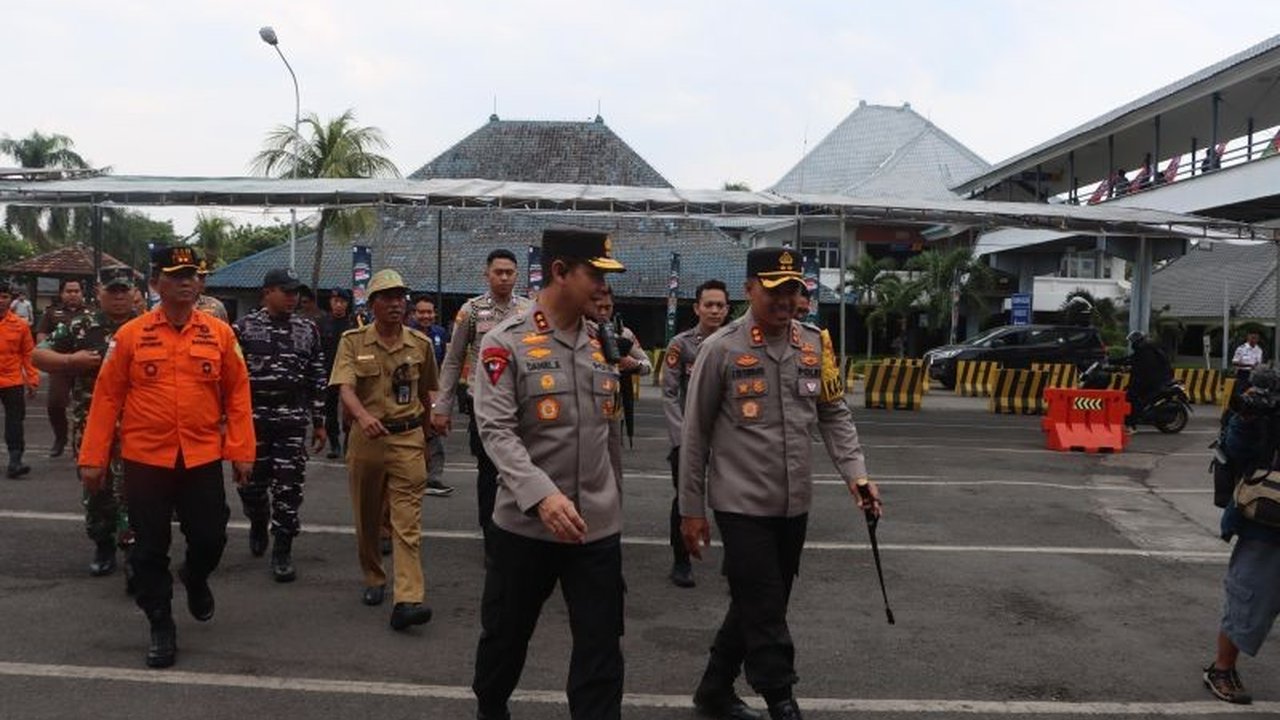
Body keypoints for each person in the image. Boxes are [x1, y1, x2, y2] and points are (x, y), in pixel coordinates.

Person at [680, 247, 881, 720]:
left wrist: (857, 475)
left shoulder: (813, 344)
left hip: (794, 504)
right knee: (767, 608)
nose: (786, 299)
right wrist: (691, 510)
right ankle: (781, 699)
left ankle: (713, 689)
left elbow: (833, 412)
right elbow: (695, 435)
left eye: (793, 289)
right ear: (749, 289)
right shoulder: (721, 348)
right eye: (775, 290)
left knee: (759, 599)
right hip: (741, 502)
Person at [471, 227, 627, 720]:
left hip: (596, 530)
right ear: (560, 272)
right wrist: (541, 495)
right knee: (505, 636)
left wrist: (614, 506)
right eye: (595, 275)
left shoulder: (605, 341)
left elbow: (609, 436)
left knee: (602, 648)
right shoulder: (506, 343)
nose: (604, 287)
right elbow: (496, 430)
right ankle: (491, 707)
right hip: (526, 528)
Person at [78, 245, 255, 669]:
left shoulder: (219, 333)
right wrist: (93, 457)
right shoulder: (131, 336)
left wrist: (243, 451)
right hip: (145, 460)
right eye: (177, 275)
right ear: (156, 283)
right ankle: (160, 621)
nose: (187, 281)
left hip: (200, 457)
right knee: (147, 550)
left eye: (193, 274)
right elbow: (106, 398)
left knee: (211, 537)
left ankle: (195, 577)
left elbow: (237, 392)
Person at [329, 269, 438, 631]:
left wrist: (428, 437)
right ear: (372, 303)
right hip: (367, 441)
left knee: (407, 524)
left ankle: (408, 599)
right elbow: (345, 387)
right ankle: (374, 576)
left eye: (399, 296)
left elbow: (427, 393)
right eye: (387, 297)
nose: (395, 303)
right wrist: (361, 416)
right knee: (368, 515)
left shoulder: (420, 344)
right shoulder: (353, 341)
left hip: (408, 438)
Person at [32, 267, 139, 580]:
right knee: (98, 490)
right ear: (99, 292)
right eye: (112, 290)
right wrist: (70, 361)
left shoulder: (147, 326)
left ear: (134, 293)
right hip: (93, 425)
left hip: (140, 425)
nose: (119, 297)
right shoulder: (81, 326)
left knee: (136, 491)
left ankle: (133, 550)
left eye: (124, 291)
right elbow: (38, 355)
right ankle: (103, 543)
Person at [431, 249, 532, 559]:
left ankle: (520, 536)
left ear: (517, 275)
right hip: (484, 407)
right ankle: (492, 541)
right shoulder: (471, 311)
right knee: (489, 474)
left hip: (522, 408)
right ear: (486, 274)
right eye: (498, 271)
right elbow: (452, 360)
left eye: (510, 272)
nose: (504, 277)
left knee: (522, 472)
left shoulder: (530, 310)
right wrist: (442, 406)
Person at [232, 268, 328, 582]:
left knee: (288, 487)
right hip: (254, 417)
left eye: (295, 292)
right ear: (267, 292)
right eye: (285, 291)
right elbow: (231, 379)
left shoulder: (307, 329)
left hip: (291, 416)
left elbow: (317, 375)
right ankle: (258, 519)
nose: (292, 297)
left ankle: (282, 549)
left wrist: (319, 421)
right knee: (252, 486)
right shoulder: (243, 328)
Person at [1203, 370, 1280, 705]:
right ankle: (1221, 669)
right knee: (1250, 595)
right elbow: (1235, 452)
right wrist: (1249, 417)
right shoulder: (1260, 411)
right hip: (1268, 520)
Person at [661, 279, 728, 589]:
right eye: (709, 304)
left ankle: (736, 562)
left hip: (728, 439)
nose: (714, 310)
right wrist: (681, 439)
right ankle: (682, 560)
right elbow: (670, 393)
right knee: (686, 499)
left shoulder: (736, 342)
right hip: (689, 438)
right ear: (697, 308)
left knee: (732, 499)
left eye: (720, 305)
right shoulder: (681, 344)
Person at [596, 285, 651, 489]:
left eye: (607, 307)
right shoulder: (577, 330)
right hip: (583, 413)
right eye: (598, 306)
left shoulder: (623, 333)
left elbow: (648, 366)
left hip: (613, 413)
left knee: (611, 473)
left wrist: (633, 364)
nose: (602, 312)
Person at [36, 277, 92, 458]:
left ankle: (87, 442)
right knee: (55, 403)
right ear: (61, 293)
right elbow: (42, 335)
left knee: (89, 405)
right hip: (61, 363)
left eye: (77, 291)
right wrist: (47, 353)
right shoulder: (52, 313)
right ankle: (60, 438)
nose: (73, 294)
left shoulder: (92, 313)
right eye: (69, 291)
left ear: (82, 293)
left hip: (86, 364)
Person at [410, 295, 453, 496]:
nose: (426, 316)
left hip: (433, 394)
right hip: (410, 395)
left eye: (429, 312)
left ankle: (433, 479)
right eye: (421, 312)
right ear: (414, 314)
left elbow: (443, 367)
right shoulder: (407, 334)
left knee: (433, 435)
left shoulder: (440, 333)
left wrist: (440, 398)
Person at [0, 282, 38, 478]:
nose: (0, 300)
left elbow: (28, 354)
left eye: (4, 296)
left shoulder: (20, 325)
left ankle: (15, 461)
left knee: (15, 421)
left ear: (10, 299)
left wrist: (32, 379)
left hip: (12, 380)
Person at [320, 288, 357, 459]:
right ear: (330, 302)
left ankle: (349, 442)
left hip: (349, 372)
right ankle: (334, 444)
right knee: (329, 410)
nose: (338, 305)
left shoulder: (354, 323)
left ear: (347, 304)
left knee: (349, 409)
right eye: (335, 301)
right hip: (328, 372)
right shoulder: (323, 323)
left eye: (342, 302)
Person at [1117, 331, 1173, 429]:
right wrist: (1111, 361)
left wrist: (1131, 369)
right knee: (1130, 393)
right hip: (1151, 378)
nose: (1132, 344)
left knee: (1133, 397)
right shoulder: (1144, 349)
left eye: (1132, 341)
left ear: (1137, 341)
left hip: (1153, 380)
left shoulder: (1146, 351)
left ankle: (1131, 422)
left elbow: (1142, 367)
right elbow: (1130, 359)